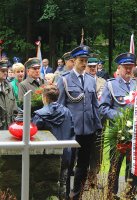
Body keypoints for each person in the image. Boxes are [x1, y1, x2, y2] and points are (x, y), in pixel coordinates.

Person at [57, 45, 101, 200]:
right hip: (71, 130)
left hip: (88, 129)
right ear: (73, 61)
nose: (84, 64)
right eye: (81, 61)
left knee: (83, 165)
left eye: (86, 61)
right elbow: (60, 106)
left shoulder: (90, 80)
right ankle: (66, 194)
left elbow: (94, 104)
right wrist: (62, 129)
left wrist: (98, 125)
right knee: (68, 165)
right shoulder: (64, 80)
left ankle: (77, 195)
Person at [99, 52, 137, 200]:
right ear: (119, 68)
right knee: (115, 165)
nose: (128, 70)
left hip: (135, 134)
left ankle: (130, 192)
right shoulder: (111, 85)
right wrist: (120, 116)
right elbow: (102, 108)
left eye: (130, 67)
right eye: (125, 67)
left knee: (133, 165)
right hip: (118, 133)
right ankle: (112, 193)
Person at [32, 84, 75, 199]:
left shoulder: (39, 115)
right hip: (65, 154)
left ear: (44, 97)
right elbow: (72, 132)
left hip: (45, 158)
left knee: (46, 188)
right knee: (63, 184)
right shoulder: (67, 112)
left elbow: (33, 135)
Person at [85, 56, 106, 189]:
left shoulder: (103, 81)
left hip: (100, 121)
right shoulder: (82, 80)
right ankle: (85, 179)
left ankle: (94, 177)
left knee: (98, 151)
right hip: (86, 122)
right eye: (90, 66)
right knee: (85, 150)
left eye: (95, 66)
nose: (93, 69)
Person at [0, 60, 18, 130]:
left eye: (6, 71)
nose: (5, 73)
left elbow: (15, 107)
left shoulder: (9, 86)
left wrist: (14, 121)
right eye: (2, 71)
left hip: (9, 126)